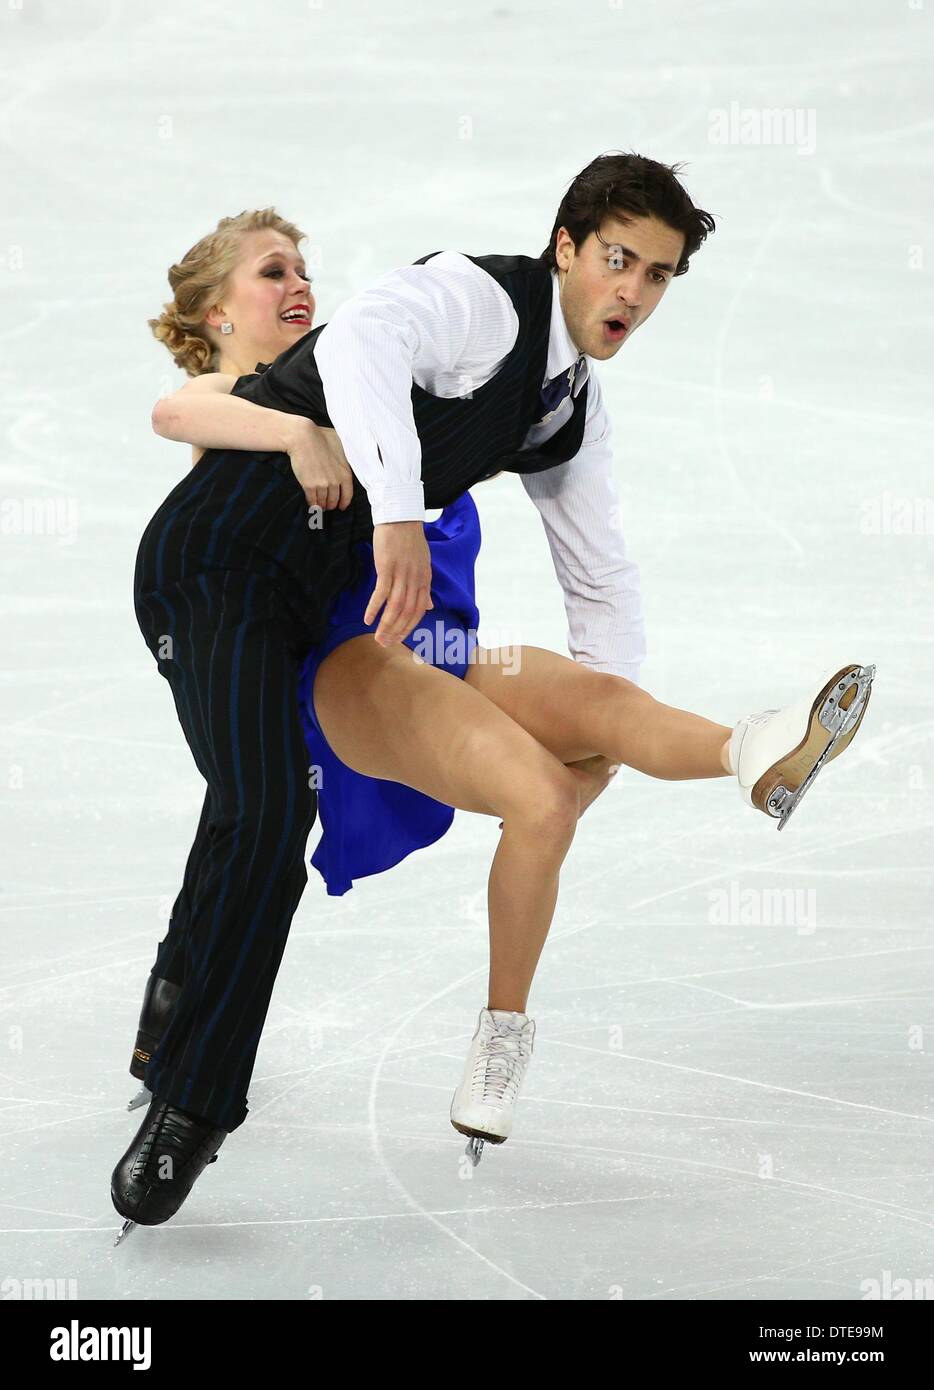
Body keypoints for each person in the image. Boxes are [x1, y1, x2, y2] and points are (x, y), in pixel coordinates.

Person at [112, 155, 874, 1239]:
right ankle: (191, 1096)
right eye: (619, 261)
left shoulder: (567, 408)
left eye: (658, 276)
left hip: (367, 624)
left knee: (549, 733)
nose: (635, 294)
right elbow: (286, 368)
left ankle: (757, 746)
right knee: (263, 810)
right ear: (566, 247)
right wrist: (381, 504)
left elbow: (598, 577)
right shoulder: (462, 306)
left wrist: (590, 758)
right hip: (226, 575)